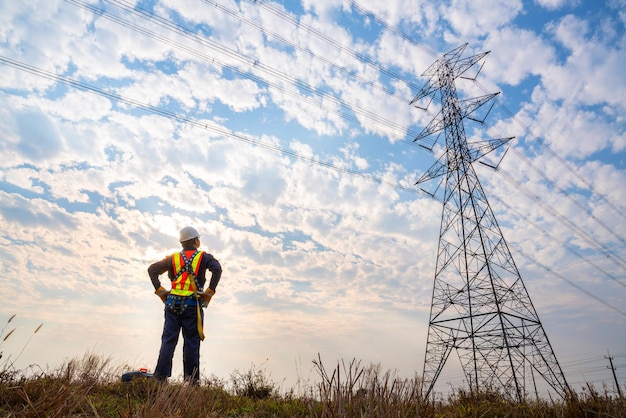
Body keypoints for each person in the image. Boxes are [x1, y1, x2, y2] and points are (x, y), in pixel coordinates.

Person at [148, 226, 222, 384]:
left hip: (171, 304)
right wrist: (209, 292)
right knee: (191, 342)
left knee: (168, 340)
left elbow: (152, 270)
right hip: (192, 305)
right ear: (196, 240)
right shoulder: (204, 257)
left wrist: (161, 292)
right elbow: (217, 269)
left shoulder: (173, 258)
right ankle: (191, 382)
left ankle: (160, 378)